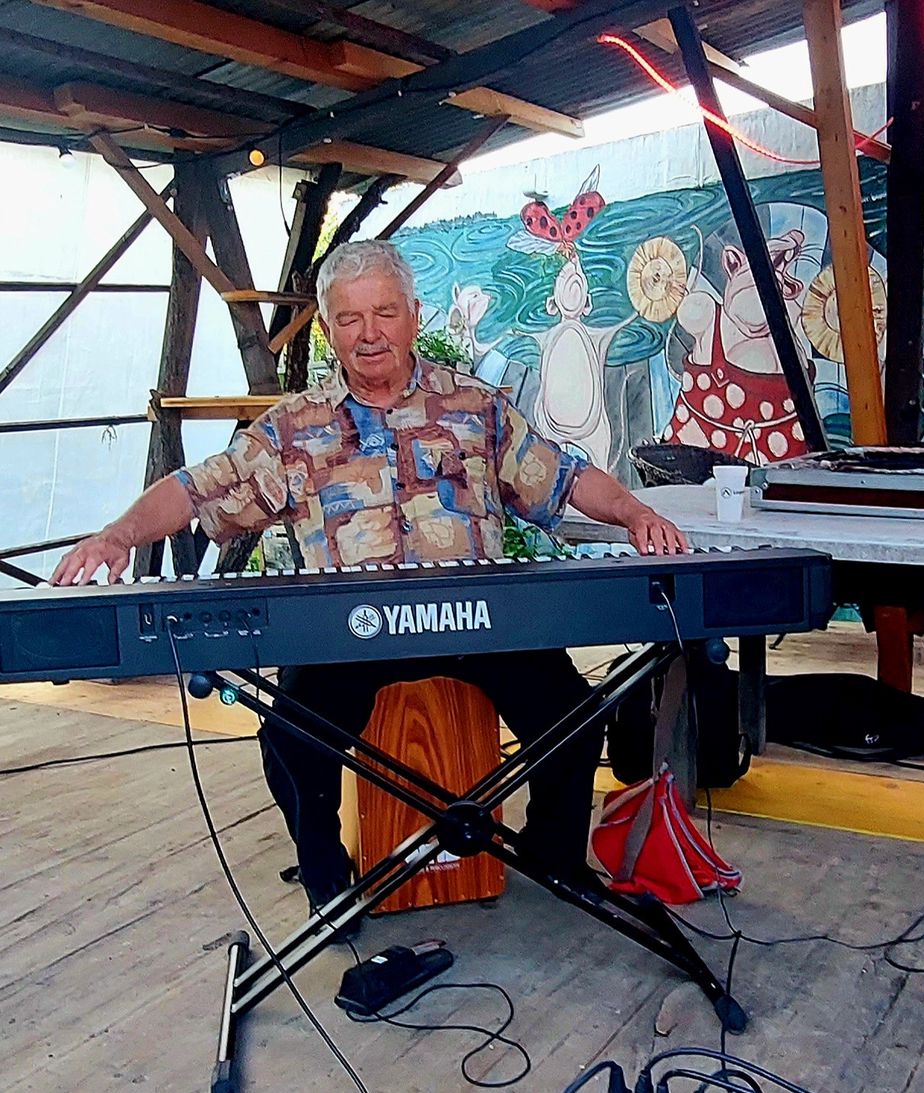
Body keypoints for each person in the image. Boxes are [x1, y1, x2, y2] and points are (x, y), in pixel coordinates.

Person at [51, 240, 688, 911]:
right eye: (350, 319)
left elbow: (564, 477)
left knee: (574, 714)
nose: (370, 333)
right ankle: (325, 871)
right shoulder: (290, 430)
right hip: (345, 636)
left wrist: (637, 512)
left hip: (477, 623)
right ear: (329, 331)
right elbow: (198, 488)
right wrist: (118, 535)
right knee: (290, 735)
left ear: (414, 316)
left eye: (384, 312)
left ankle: (553, 855)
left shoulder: (477, 407)